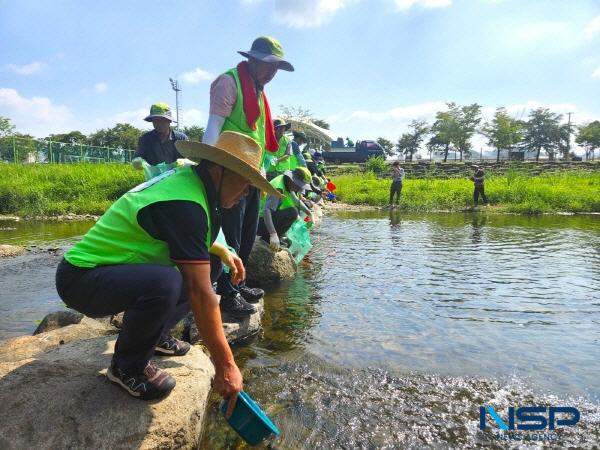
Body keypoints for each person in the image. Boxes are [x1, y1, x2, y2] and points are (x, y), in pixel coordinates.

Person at [55, 131, 282, 405]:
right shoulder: (185, 203)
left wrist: (223, 251)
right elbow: (199, 293)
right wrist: (227, 365)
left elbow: (198, 239)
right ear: (218, 170)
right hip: (81, 278)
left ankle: (157, 335)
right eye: (245, 183)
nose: (247, 193)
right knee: (166, 283)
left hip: (112, 274)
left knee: (206, 265)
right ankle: (127, 367)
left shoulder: (193, 185)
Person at [202, 36, 294, 316]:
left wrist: (262, 172)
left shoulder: (259, 92)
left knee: (245, 232)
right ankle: (226, 294)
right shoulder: (229, 82)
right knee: (228, 232)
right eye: (267, 65)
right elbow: (214, 126)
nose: (271, 72)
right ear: (252, 59)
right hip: (229, 172)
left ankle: (238, 286)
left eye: (276, 68)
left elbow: (260, 139)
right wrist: (206, 169)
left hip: (252, 173)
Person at [257, 167, 314, 251]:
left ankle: (276, 237)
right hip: (259, 222)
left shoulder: (288, 183)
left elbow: (295, 199)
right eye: (299, 185)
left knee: (294, 211)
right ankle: (267, 238)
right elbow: (267, 210)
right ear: (292, 180)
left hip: (265, 220)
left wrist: (309, 213)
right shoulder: (278, 188)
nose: (299, 189)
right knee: (292, 212)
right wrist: (273, 234)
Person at [132, 102, 188, 167]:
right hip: (155, 176)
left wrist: (184, 162)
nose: (159, 124)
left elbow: (191, 159)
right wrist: (138, 162)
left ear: (169, 121)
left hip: (177, 175)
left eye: (163, 120)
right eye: (156, 120)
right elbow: (138, 157)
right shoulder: (145, 139)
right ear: (152, 121)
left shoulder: (181, 139)